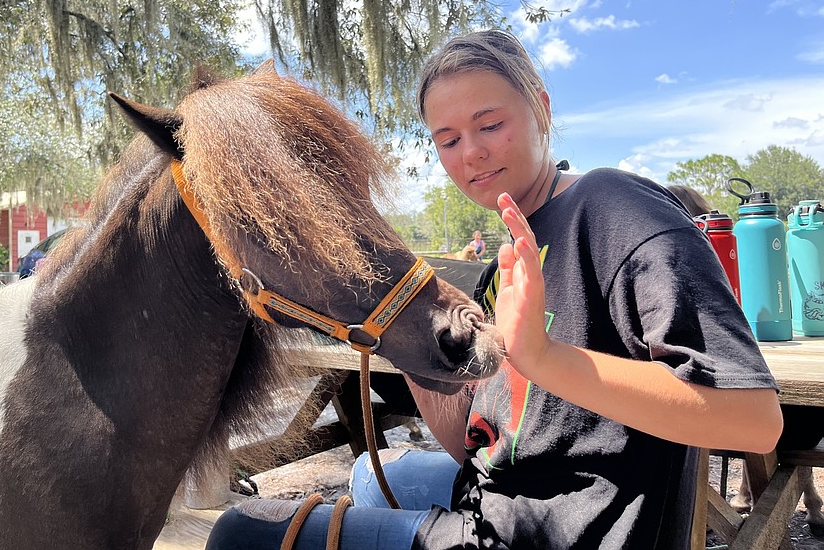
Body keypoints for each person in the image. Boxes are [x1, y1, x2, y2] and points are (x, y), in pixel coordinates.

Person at [206, 30, 782, 550]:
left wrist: (547, 359)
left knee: (238, 533)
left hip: (561, 529)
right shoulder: (502, 263)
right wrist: (399, 336)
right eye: (447, 138)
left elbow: (752, 420)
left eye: (489, 125)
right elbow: (474, 448)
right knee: (370, 473)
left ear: (542, 108)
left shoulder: (614, 209)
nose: (471, 153)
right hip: (501, 497)